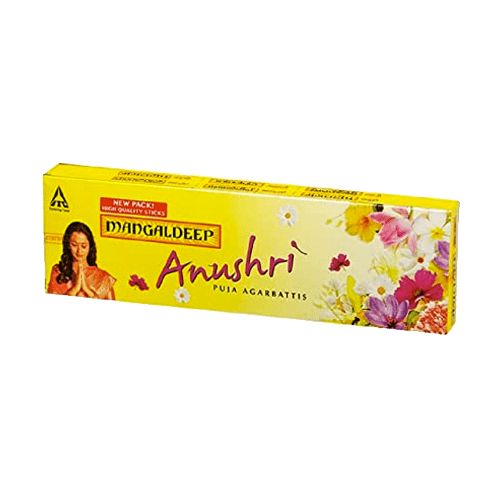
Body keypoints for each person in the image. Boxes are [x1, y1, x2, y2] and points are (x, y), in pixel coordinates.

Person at [48, 221, 116, 299]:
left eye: (83, 246)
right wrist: (75, 288)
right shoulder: (58, 272)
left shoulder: (103, 278)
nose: (79, 251)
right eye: (74, 245)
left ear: (90, 246)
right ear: (68, 245)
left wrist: (87, 290)